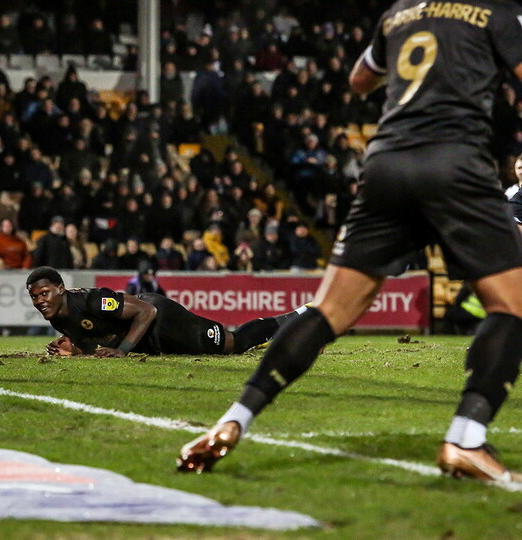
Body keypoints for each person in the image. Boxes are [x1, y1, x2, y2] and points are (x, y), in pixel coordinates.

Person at [178, 1, 522, 484]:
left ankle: (235, 418)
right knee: (513, 306)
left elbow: (360, 80)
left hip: (386, 164)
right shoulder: (496, 12)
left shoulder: (399, 13)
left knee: (326, 311)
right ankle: (466, 438)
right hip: (456, 161)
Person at [27, 266, 305, 358]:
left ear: (61, 289)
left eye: (44, 293)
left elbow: (145, 310)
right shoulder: (59, 317)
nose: (40, 300)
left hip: (163, 320)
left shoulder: (89, 301)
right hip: (149, 339)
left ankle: (298, 317)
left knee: (232, 344)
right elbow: (95, 338)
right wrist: (76, 350)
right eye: (34, 297)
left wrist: (123, 349)